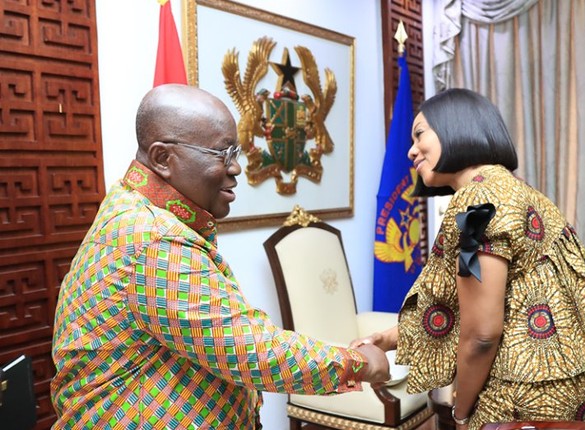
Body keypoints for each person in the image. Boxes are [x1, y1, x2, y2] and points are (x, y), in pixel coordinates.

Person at [50, 84, 390, 429]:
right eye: (222, 154)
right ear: (163, 158)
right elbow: (250, 349)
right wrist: (358, 363)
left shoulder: (134, 206)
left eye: (236, 152)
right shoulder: (156, 239)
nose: (237, 169)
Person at [352, 89, 585, 429]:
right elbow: (460, 304)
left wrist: (460, 410)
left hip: (527, 399)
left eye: (420, 133)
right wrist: (386, 339)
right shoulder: (517, 190)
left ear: (455, 127)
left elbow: (481, 334)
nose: (411, 149)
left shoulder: (476, 204)